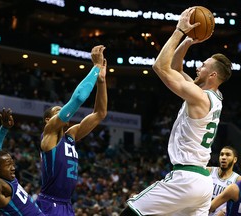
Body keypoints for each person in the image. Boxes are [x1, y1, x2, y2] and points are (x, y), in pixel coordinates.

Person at [120, 7, 232, 216]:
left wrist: (179, 30)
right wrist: (188, 41)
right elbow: (177, 68)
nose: (198, 68)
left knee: (129, 213)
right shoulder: (212, 97)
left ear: (213, 75)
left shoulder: (199, 97)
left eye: (204, 66)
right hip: (203, 185)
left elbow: (160, 67)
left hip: (185, 178)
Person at [36, 45, 107, 215]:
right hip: (49, 203)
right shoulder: (50, 134)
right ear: (48, 120)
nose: (62, 112)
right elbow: (78, 98)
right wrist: (96, 67)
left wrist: (102, 82)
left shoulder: (71, 136)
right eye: (57, 111)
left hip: (67, 204)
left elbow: (100, 113)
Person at [208, 146, 241, 216]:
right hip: (202, 212)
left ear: (235, 159)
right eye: (221, 154)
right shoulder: (208, 171)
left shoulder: (238, 179)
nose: (223, 157)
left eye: (228, 155)